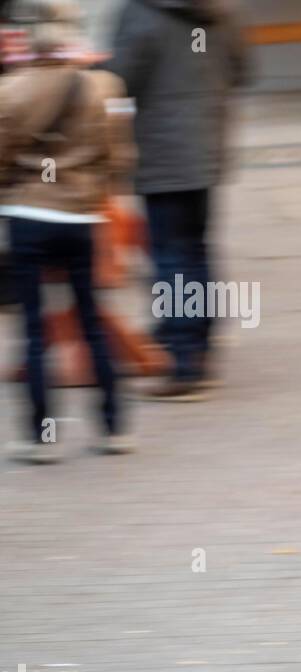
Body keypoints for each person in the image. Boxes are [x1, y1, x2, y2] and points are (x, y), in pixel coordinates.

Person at [0, 0, 136, 463]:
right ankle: (114, 428)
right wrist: (90, 194)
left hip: (29, 218)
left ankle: (41, 438)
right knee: (92, 320)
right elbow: (117, 159)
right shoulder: (100, 88)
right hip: (81, 219)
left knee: (35, 331)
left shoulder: (10, 91)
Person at [107, 0, 246, 401]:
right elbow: (242, 71)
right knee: (196, 247)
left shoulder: (140, 11)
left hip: (163, 153)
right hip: (207, 146)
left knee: (171, 255)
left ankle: (185, 362)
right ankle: (196, 339)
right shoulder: (225, 8)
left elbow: (121, 79)